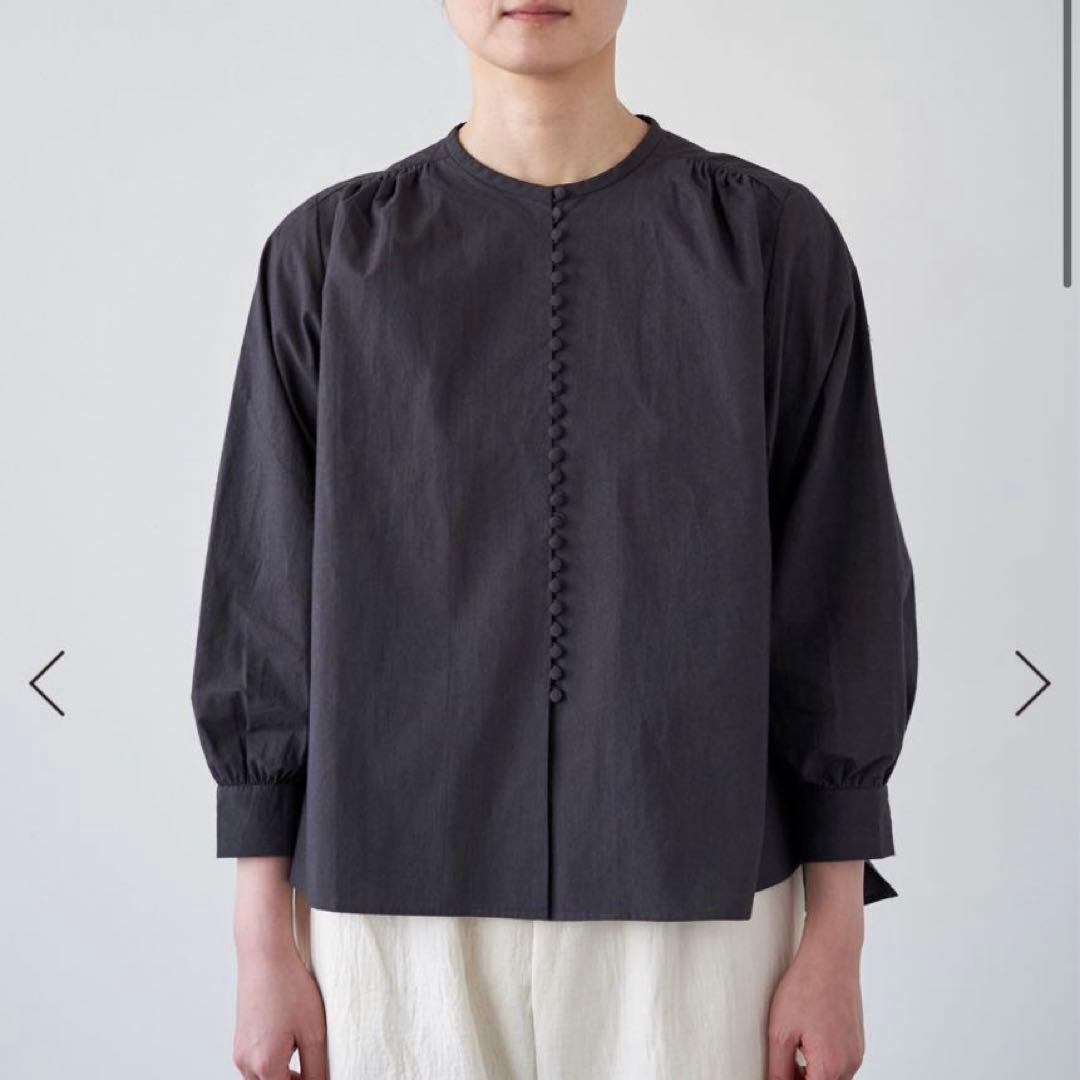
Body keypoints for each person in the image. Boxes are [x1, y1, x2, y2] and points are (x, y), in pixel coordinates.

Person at [190, 2, 919, 1078]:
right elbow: (263, 612)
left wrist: (836, 939)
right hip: (391, 919)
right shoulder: (328, 258)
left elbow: (839, 593)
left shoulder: (769, 243)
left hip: (699, 907)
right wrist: (262, 947)